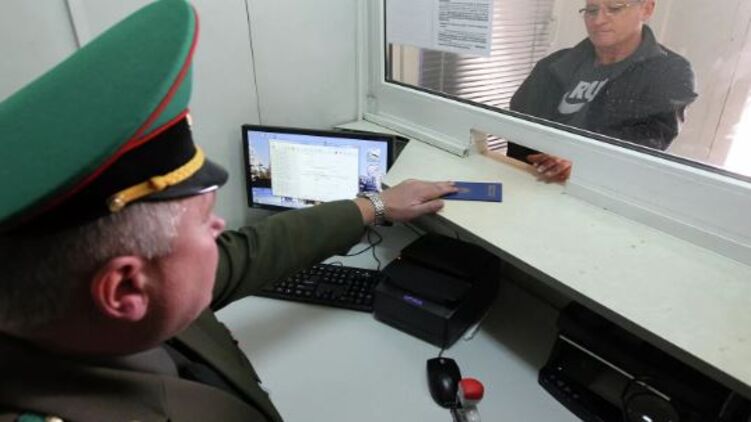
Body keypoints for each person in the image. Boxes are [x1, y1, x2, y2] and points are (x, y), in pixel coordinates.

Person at [0, 1, 457, 420]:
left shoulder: (68, 306)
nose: (220, 228)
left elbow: (253, 250)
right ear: (124, 287)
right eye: (204, 224)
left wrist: (376, 204)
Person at [507, 0, 697, 182]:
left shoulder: (669, 71)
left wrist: (582, 164)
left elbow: (649, 141)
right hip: (534, 181)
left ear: (646, 9)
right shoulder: (554, 64)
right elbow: (517, 127)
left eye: (614, 8)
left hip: (602, 190)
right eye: (591, 10)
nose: (598, 20)